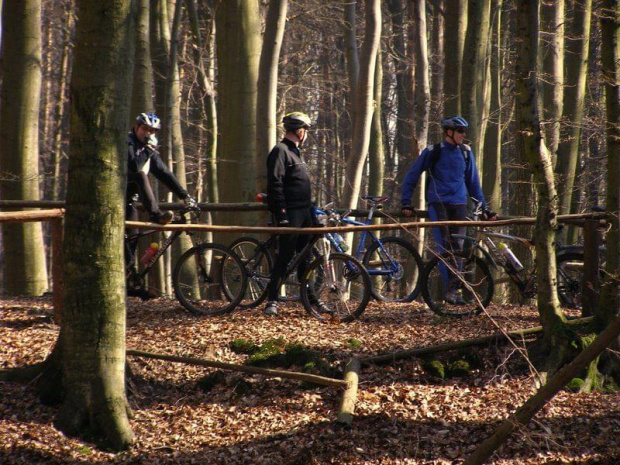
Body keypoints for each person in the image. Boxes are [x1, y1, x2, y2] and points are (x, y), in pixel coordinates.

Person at [400, 116, 496, 304]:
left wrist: (485, 208)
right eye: (460, 131)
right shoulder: (433, 151)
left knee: (458, 247)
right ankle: (451, 289)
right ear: (449, 132)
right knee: (445, 247)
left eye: (464, 131)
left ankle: (456, 291)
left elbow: (474, 183)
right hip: (439, 203)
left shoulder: (466, 153)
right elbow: (411, 175)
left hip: (460, 204)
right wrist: (406, 202)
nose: (463, 135)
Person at [263, 112, 328, 316]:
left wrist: (313, 215)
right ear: (300, 131)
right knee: (285, 257)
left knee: (306, 258)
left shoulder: (296, 153)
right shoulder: (280, 151)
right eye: (306, 130)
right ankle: (272, 300)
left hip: (305, 211)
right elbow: (275, 184)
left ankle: (310, 300)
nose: (306, 134)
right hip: (290, 213)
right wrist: (281, 213)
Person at [125, 112, 195, 269]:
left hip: (130, 203)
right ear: (136, 127)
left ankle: (129, 284)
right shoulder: (128, 142)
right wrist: (149, 149)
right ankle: (156, 215)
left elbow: (165, 174)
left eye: (152, 131)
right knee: (141, 175)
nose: (148, 134)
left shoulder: (147, 151)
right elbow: (133, 166)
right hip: (118, 197)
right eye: (145, 129)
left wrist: (185, 196)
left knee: (131, 244)